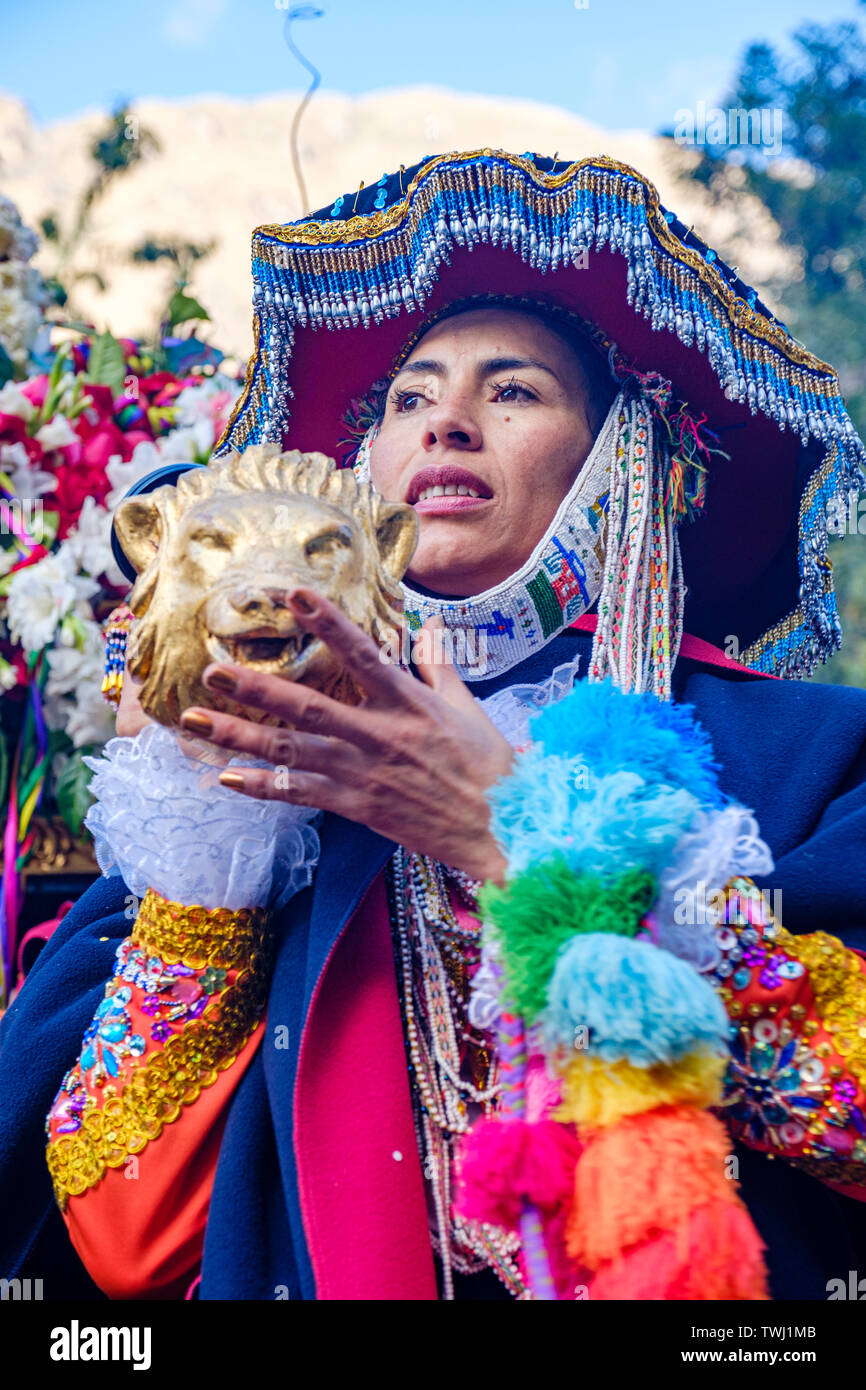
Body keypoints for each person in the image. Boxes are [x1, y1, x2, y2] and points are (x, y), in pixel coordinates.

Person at [2, 148, 866, 1301]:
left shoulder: (803, 755)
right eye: (409, 398)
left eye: (510, 391)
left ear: (626, 465)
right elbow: (132, 1243)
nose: (443, 423)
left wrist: (517, 837)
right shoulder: (266, 806)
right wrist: (209, 850)